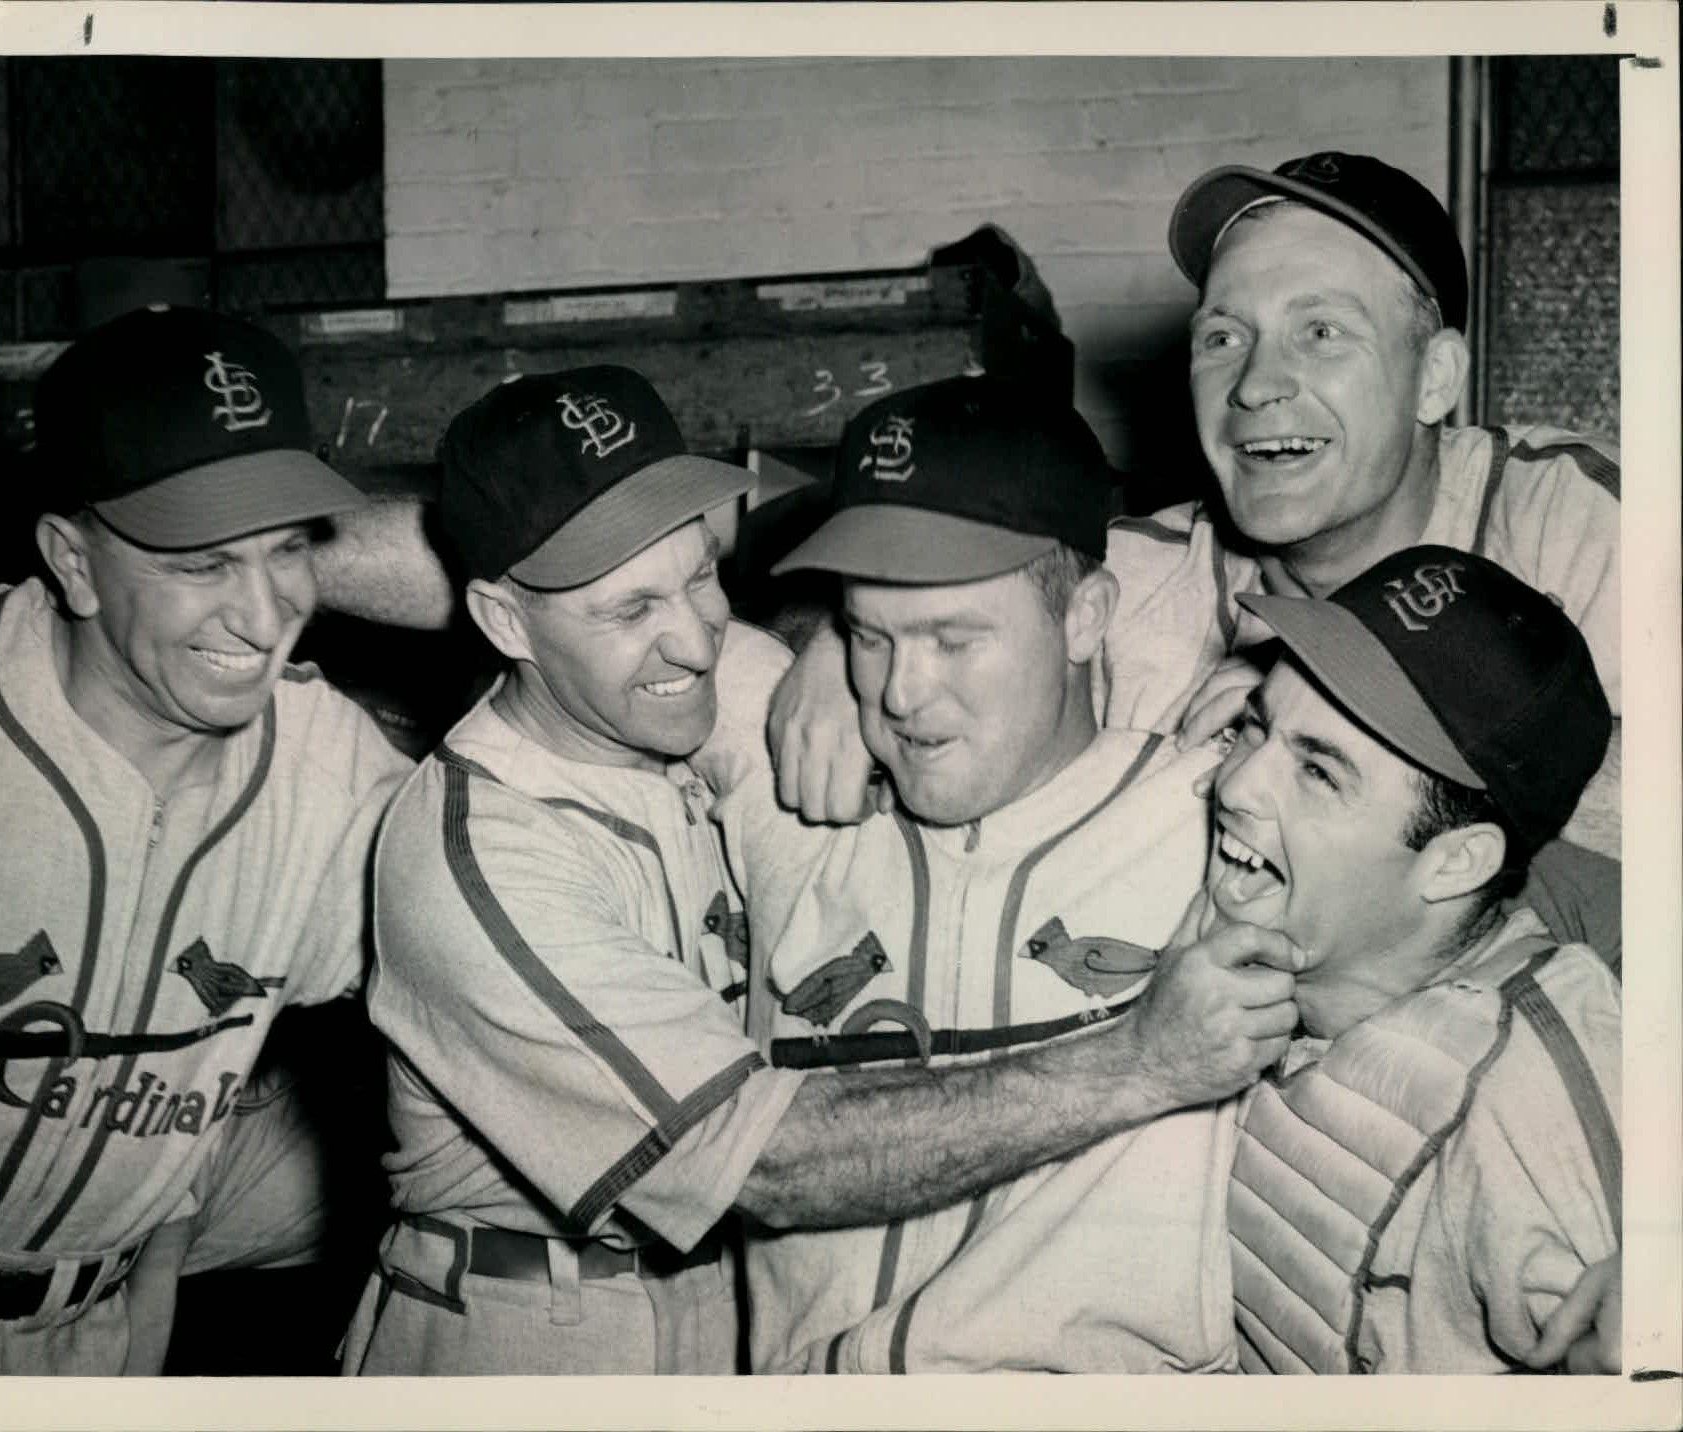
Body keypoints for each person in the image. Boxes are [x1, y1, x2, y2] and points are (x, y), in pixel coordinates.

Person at [340, 366, 1308, 1376]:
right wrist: (1139, 1060)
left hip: (732, 1322)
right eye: (630, 610)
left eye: (702, 573)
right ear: (502, 623)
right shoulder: (477, 851)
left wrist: (832, 651)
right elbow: (766, 1165)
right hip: (531, 1329)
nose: (692, 635)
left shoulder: (708, 695)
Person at [769, 150, 1621, 960]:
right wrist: (835, 646)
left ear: (1435, 378)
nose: (1254, 385)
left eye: (1320, 331)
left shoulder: (1582, 522)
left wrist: (1331, 732)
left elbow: (1632, 913)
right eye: (1221, 338)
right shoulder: (1137, 580)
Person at [689, 374, 1305, 1374]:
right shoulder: (792, 788)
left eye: (953, 637)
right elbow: (550, 603)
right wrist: (811, 645)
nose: (899, 691)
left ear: (1085, 617)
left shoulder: (1218, 819)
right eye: (872, 632)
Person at [0, 305, 413, 1374]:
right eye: (202, 562)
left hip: (108, 1320)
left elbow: (551, 580)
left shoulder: (326, 761)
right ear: (72, 560)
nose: (265, 613)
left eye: (290, 549)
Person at [1205, 545, 1620, 1372]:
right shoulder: (1266, 898)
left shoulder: (1526, 1094)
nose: (1235, 786)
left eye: (1318, 772)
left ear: (1455, 862)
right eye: (1254, 726)